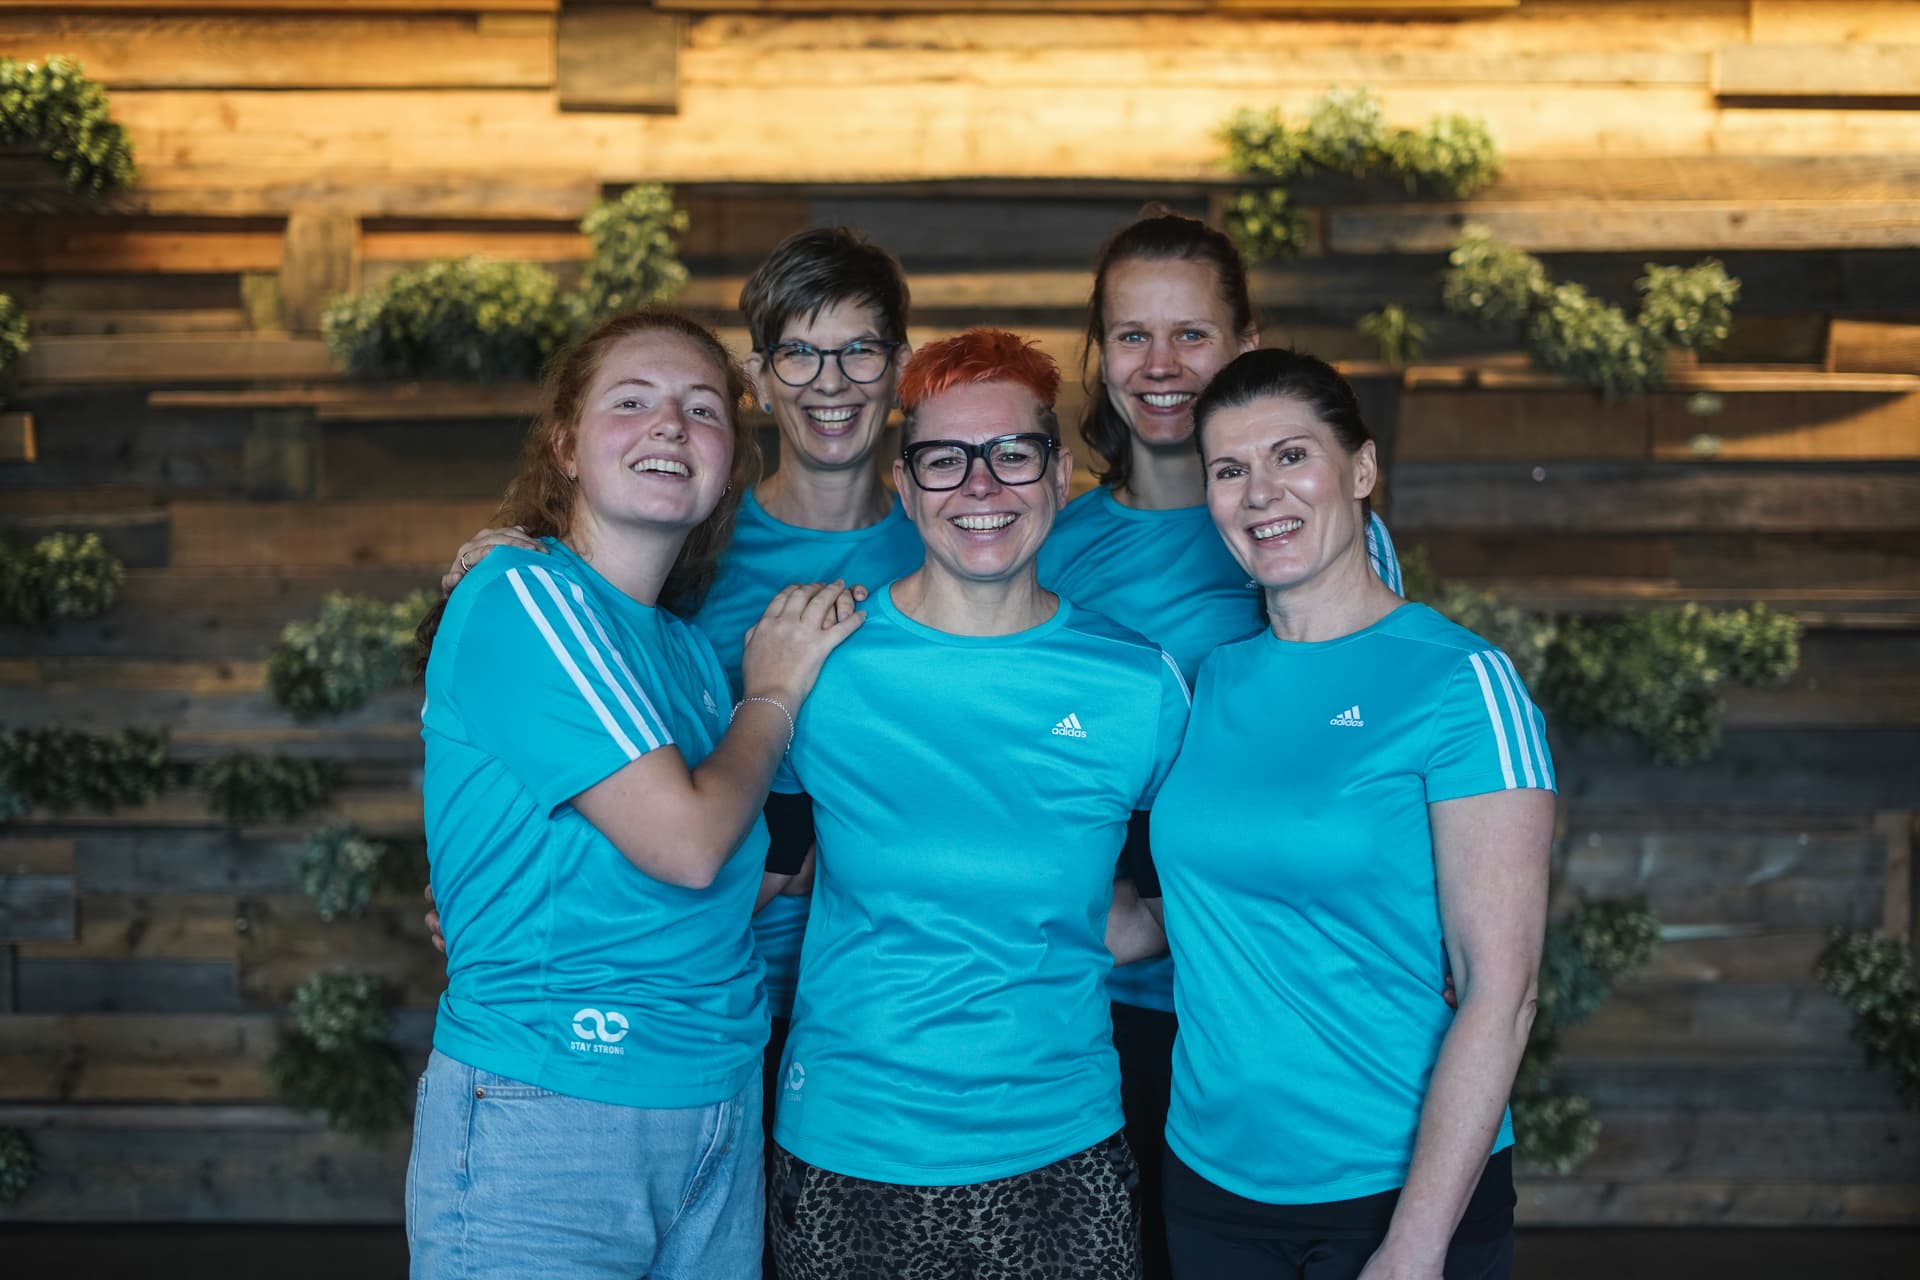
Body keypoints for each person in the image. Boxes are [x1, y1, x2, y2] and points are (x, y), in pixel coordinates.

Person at [407, 308, 864, 1280]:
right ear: (566, 447)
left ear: (728, 463)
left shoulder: (689, 655)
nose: (670, 424)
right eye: (633, 401)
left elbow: (726, 883)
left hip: (716, 1102)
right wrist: (776, 692)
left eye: (702, 409)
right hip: (552, 1103)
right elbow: (689, 842)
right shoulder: (524, 592)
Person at [439, 226, 925, 1137]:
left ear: (900, 366)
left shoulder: (951, 536)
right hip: (713, 994)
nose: (830, 382)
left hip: (890, 989)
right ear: (761, 375)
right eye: (800, 354)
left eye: (858, 350)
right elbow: (567, 737)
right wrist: (490, 898)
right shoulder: (688, 535)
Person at [766, 328, 1187, 1280]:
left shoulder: (1139, 685)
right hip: (846, 1145)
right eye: (944, 461)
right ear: (907, 487)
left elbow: (1193, 891)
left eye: (1012, 455)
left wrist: (1065, 929)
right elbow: (755, 868)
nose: (981, 487)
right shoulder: (817, 658)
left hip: (1061, 1149)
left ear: (1060, 475)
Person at [1037, 207, 1404, 1280]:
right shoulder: (1047, 539)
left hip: (1275, 1016)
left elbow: (1367, 774)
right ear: (1097, 354)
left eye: (1190, 334)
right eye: (1131, 335)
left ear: (1247, 343)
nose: (1160, 366)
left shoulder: (1307, 524)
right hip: (1093, 1013)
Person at [1143, 348, 1555, 1279]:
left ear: (1361, 470)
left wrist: (1414, 1244)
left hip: (1394, 1190)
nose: (1260, 494)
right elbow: (1194, 909)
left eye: (1292, 457)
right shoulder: (1209, 683)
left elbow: (1502, 989)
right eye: (1228, 470)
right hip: (1210, 1181)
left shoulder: (1458, 681)